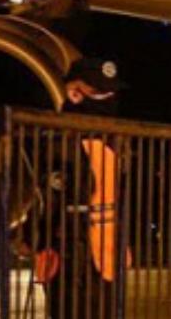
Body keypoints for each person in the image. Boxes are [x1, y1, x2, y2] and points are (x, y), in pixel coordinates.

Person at [39, 57, 126, 318]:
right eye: (98, 91)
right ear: (73, 91)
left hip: (102, 256)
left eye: (109, 91)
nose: (107, 97)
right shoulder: (61, 138)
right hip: (67, 251)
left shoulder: (112, 138)